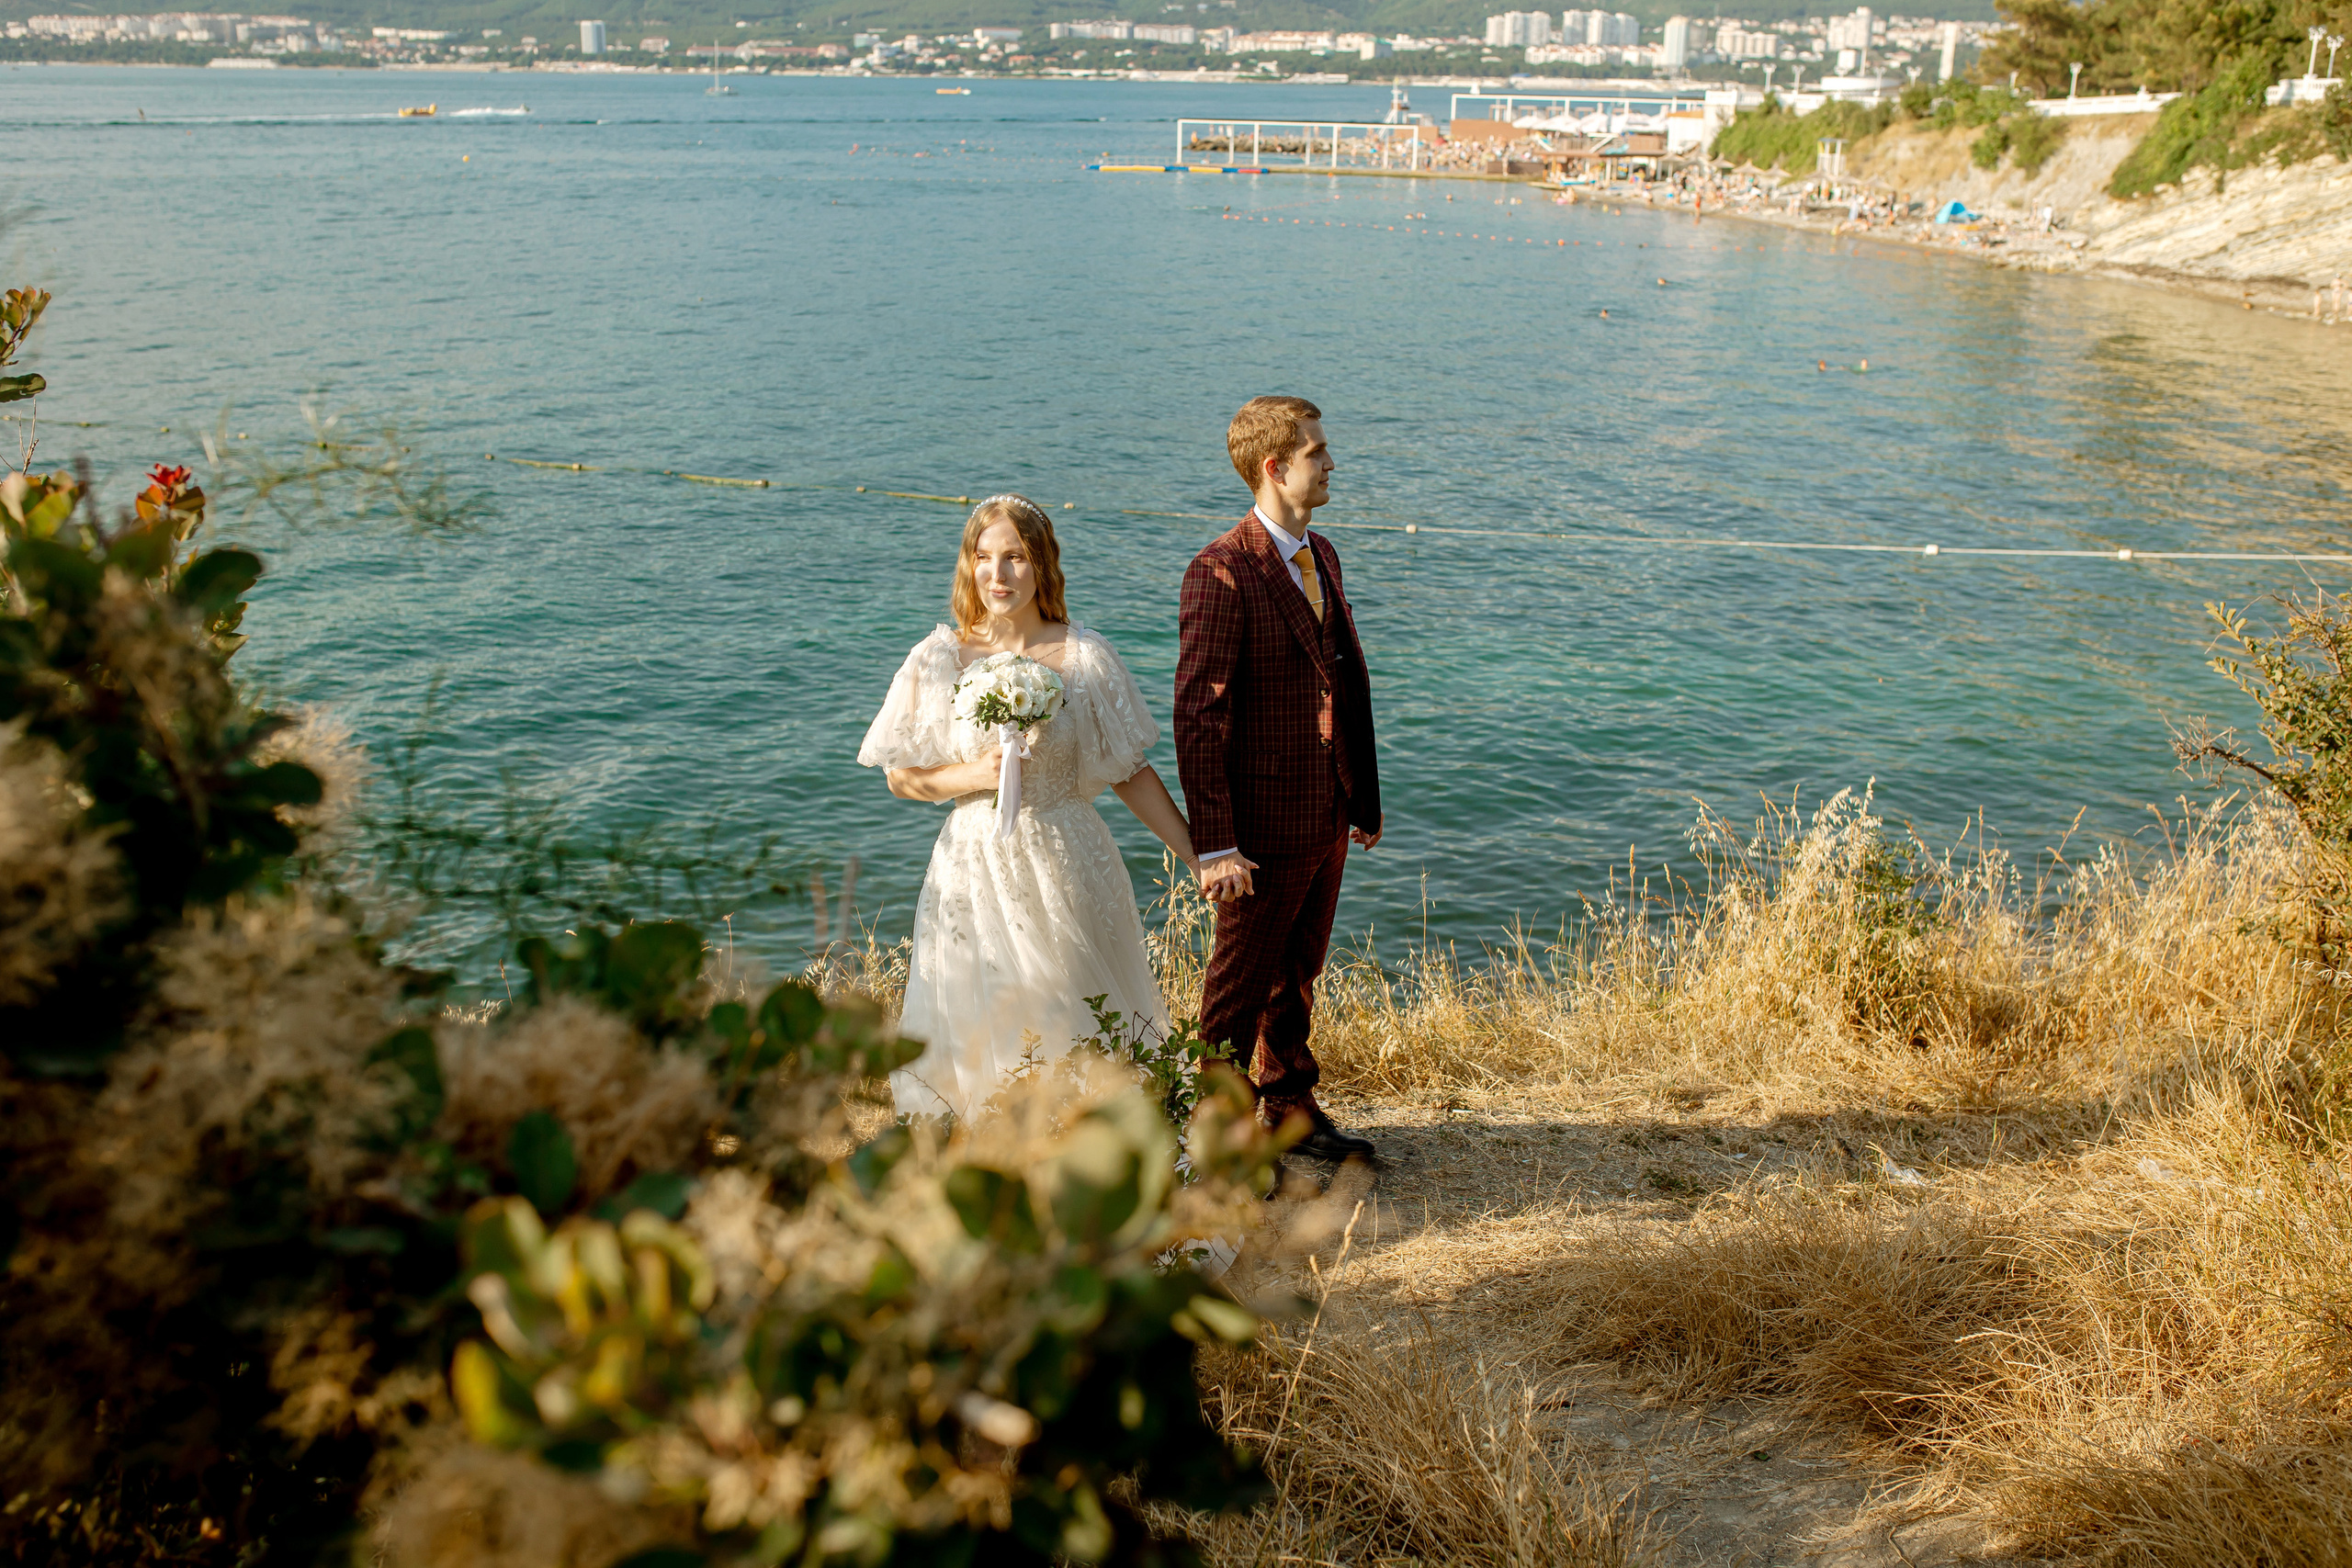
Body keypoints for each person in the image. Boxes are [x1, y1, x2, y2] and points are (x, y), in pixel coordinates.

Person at [857, 495, 1201, 1120]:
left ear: (1041, 563)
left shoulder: (1084, 657)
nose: (998, 574)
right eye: (984, 558)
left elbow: (1130, 773)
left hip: (1069, 856)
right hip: (971, 866)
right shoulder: (938, 659)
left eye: (1015, 557)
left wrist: (1200, 858)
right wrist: (973, 774)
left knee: (1071, 1002)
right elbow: (901, 776)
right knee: (978, 1009)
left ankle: (1094, 1148)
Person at [1174, 397, 1383, 1163]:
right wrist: (1217, 843)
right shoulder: (1220, 571)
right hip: (1257, 828)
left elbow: (1343, 679)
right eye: (1319, 452)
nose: (1331, 463)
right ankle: (1218, 1137)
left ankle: (1289, 1109)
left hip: (1324, 811)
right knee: (1237, 991)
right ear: (1275, 467)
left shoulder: (1321, 552)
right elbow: (1198, 718)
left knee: (1298, 974)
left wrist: (1360, 797)